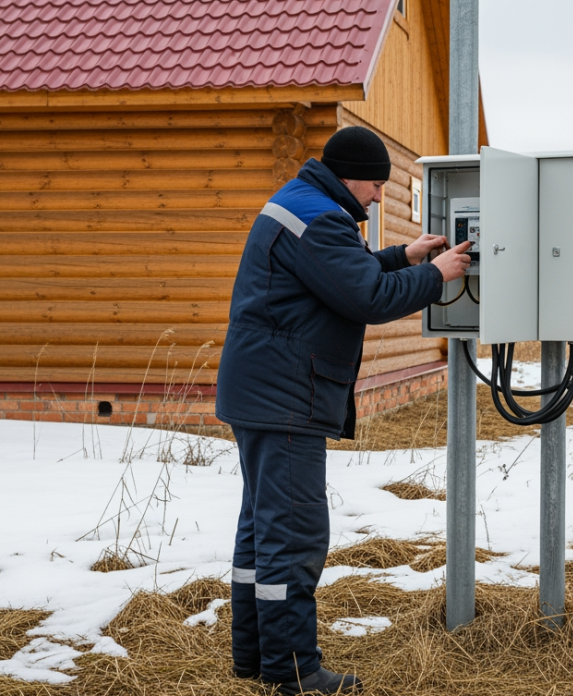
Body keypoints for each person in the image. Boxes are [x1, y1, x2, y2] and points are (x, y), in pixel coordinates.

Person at [215, 125, 471, 695]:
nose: (378, 197)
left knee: (262, 532)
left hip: (261, 394)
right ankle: (296, 672)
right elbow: (367, 298)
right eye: (376, 185)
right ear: (350, 176)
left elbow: (337, 276)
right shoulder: (325, 218)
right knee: (295, 537)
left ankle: (255, 657)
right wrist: (436, 274)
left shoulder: (304, 204)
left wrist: (402, 256)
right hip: (284, 401)